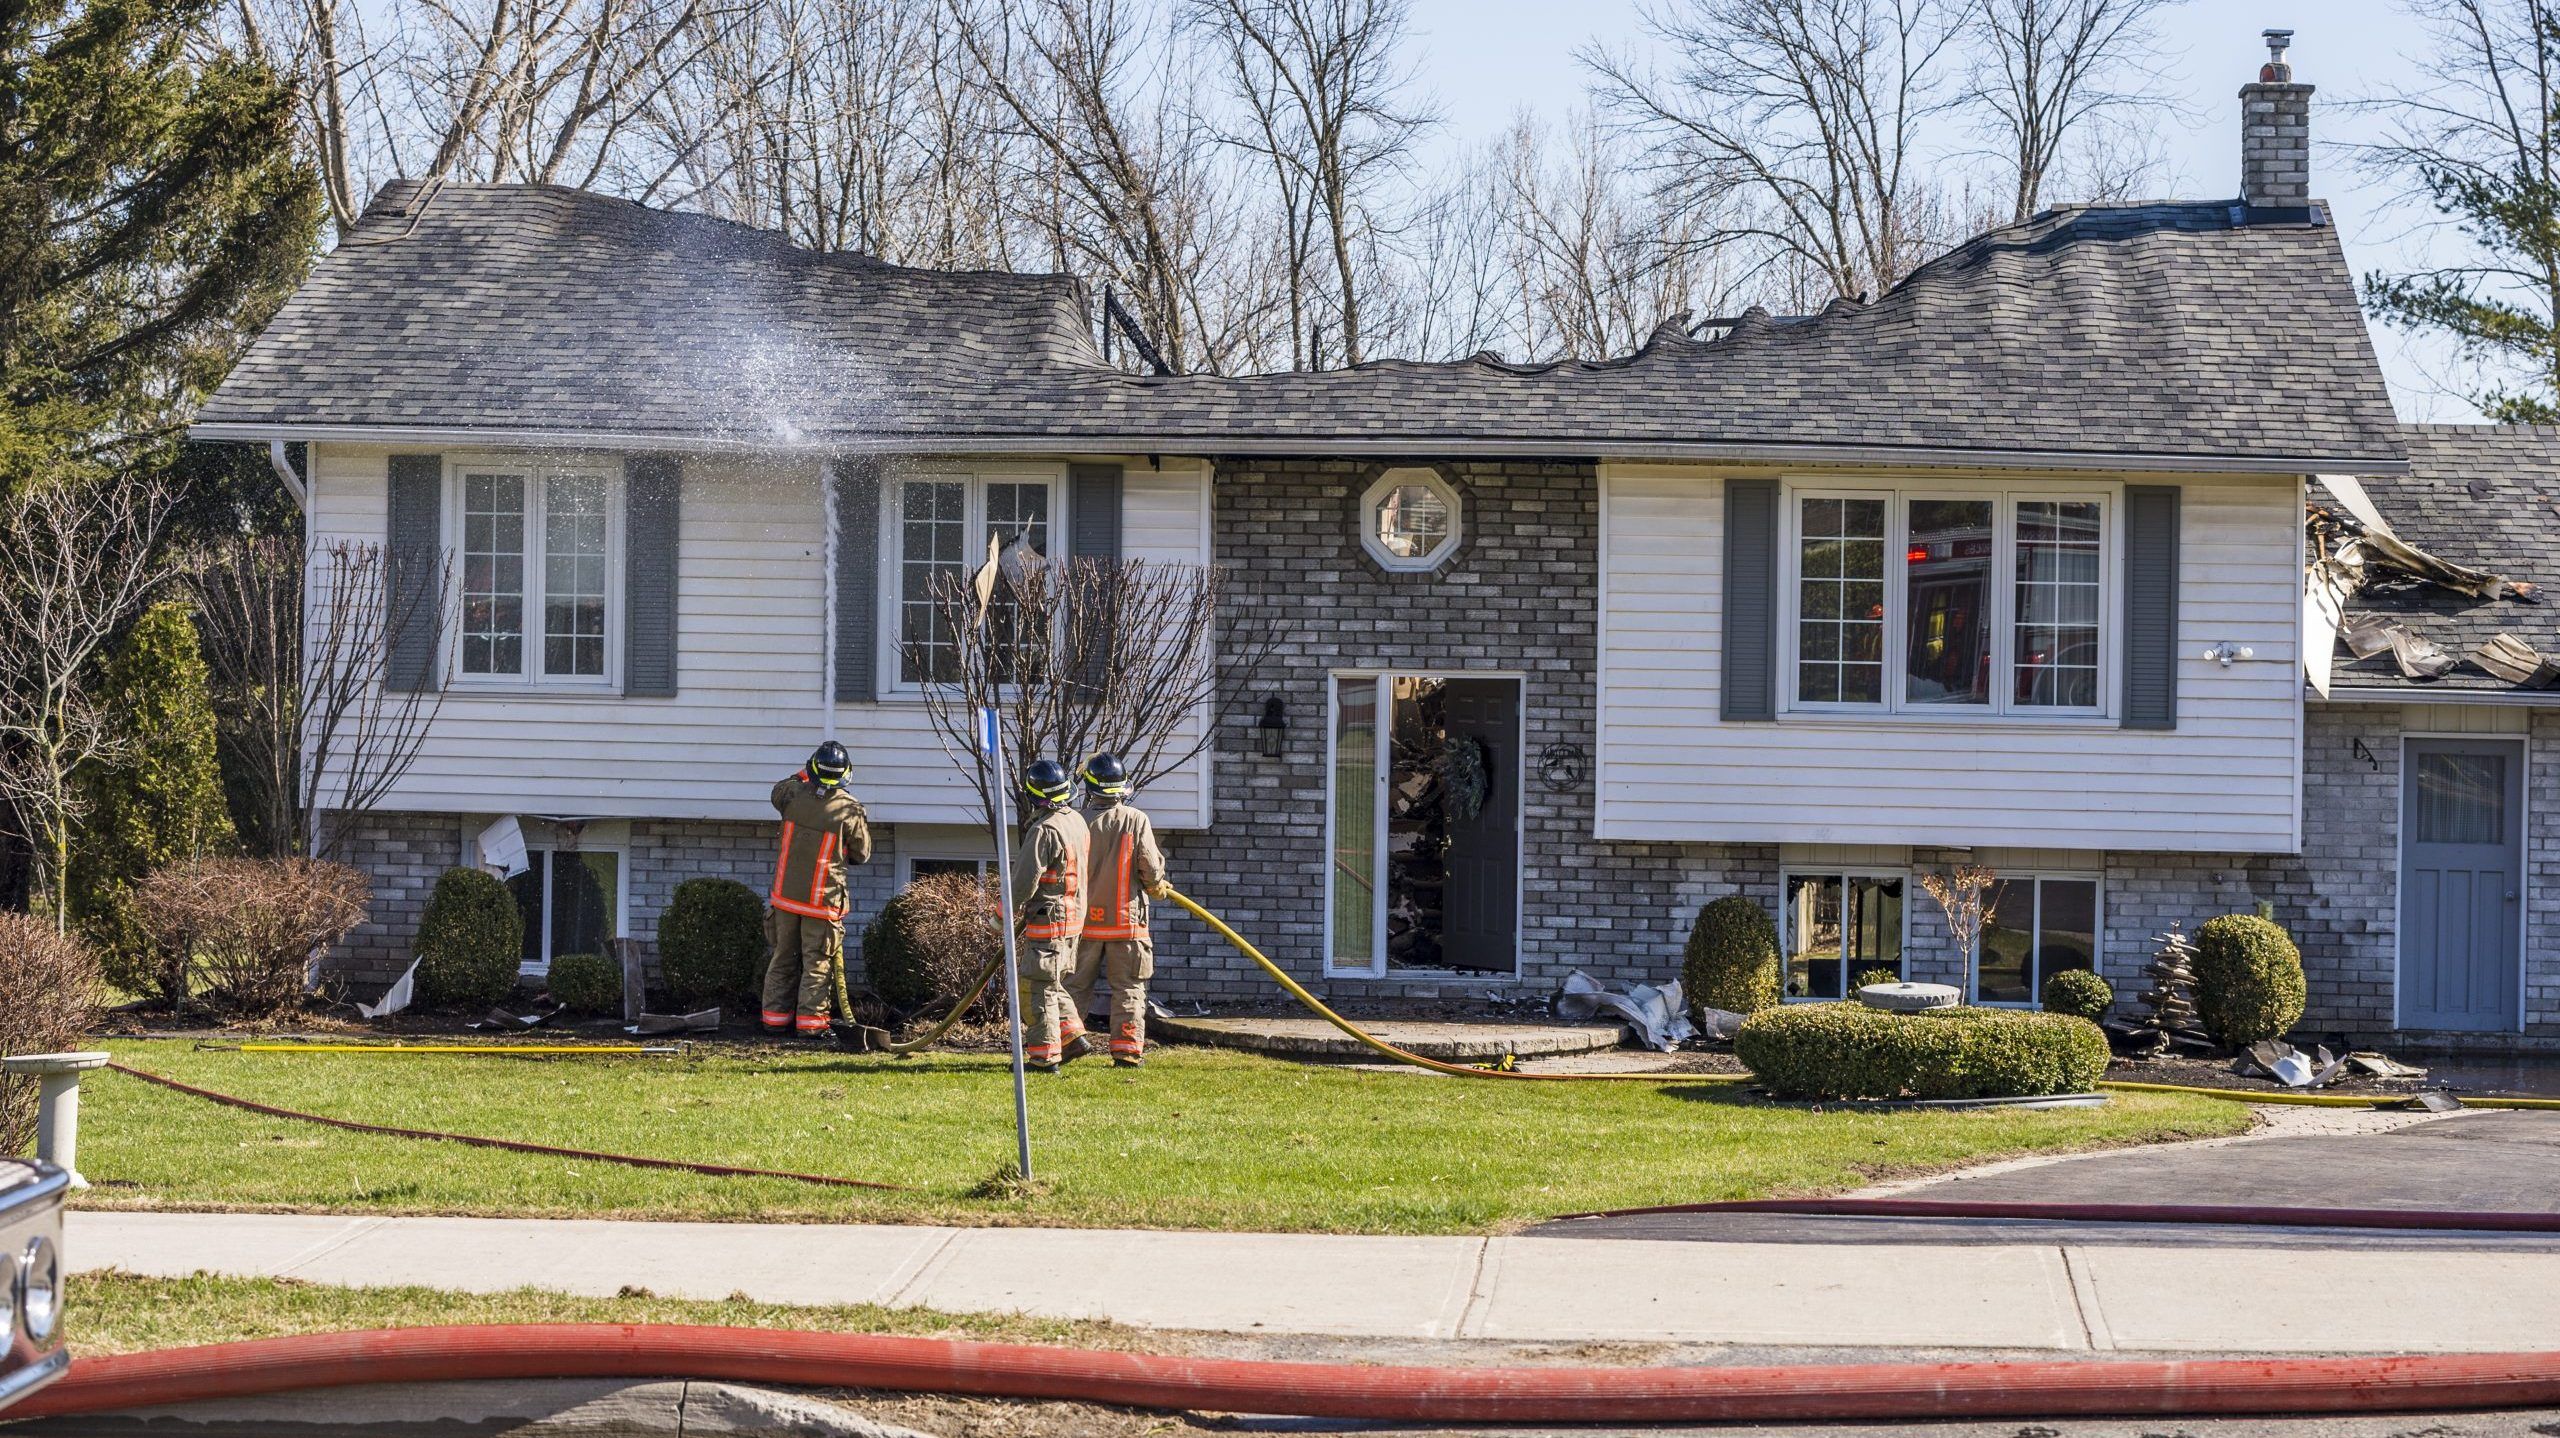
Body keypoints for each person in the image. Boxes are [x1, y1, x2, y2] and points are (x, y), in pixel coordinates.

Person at [762, 740, 871, 1037]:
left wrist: (805, 773)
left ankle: (773, 1020)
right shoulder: (850, 810)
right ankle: (811, 1027)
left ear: (812, 768)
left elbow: (780, 788)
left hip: (784, 900)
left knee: (782, 958)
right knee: (817, 964)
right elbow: (862, 854)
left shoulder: (791, 795)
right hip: (821, 904)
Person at [1072, 753, 1165, 1067]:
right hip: (1126, 925)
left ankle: (1063, 1044)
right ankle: (1126, 1051)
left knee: (1072, 987)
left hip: (1082, 924)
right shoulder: (1136, 819)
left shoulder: (1075, 822)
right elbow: (1150, 868)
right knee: (1128, 988)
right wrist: (1157, 886)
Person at [1012, 757, 1089, 1073]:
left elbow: (1023, 882)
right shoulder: (1076, 821)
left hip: (1049, 921)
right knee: (1052, 981)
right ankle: (1072, 1039)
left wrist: (1002, 916)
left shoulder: (1044, 830)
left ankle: (1045, 1058)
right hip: (1072, 921)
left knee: (1037, 986)